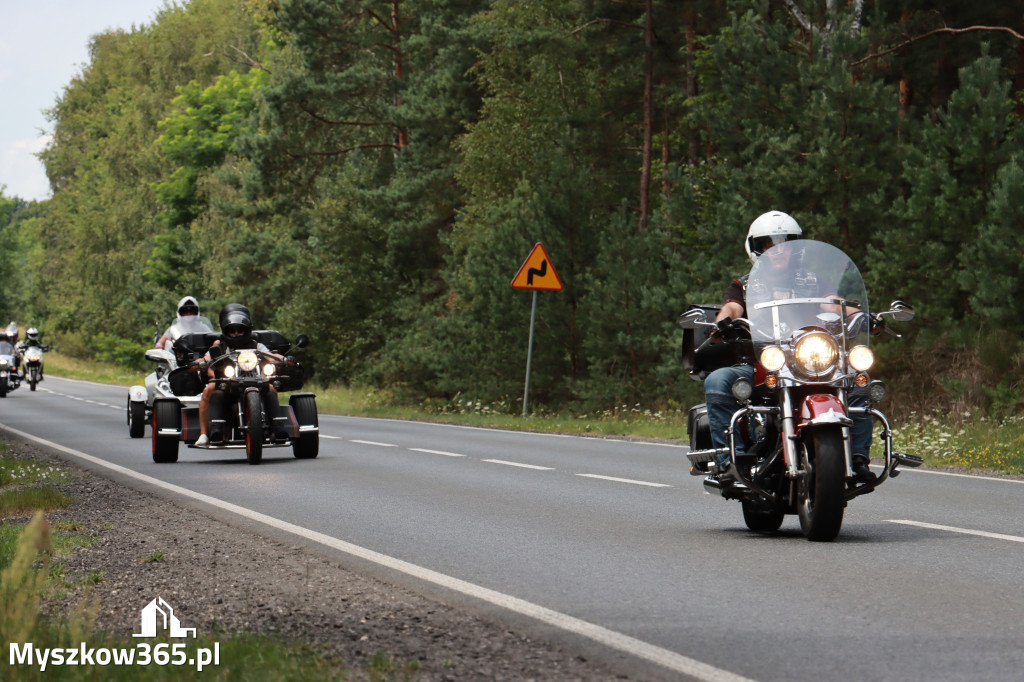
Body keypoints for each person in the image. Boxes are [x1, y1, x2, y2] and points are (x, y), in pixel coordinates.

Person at [701, 211, 876, 483]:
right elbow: (732, 307)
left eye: (785, 243)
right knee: (718, 380)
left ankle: (858, 457)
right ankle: (728, 461)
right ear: (756, 248)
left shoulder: (811, 281)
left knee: (859, 379)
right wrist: (723, 321)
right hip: (760, 362)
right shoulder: (744, 285)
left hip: (809, 360)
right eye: (769, 244)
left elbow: (832, 301)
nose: (777, 250)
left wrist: (858, 314)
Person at [194, 304, 286, 447]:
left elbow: (271, 356)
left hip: (256, 380)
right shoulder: (219, 346)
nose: (236, 334)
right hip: (227, 383)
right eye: (232, 331)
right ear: (225, 330)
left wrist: (284, 359)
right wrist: (198, 363)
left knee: (271, 389)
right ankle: (206, 434)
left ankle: (278, 428)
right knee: (210, 390)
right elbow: (207, 358)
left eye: (240, 330)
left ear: (247, 330)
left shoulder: (256, 345)